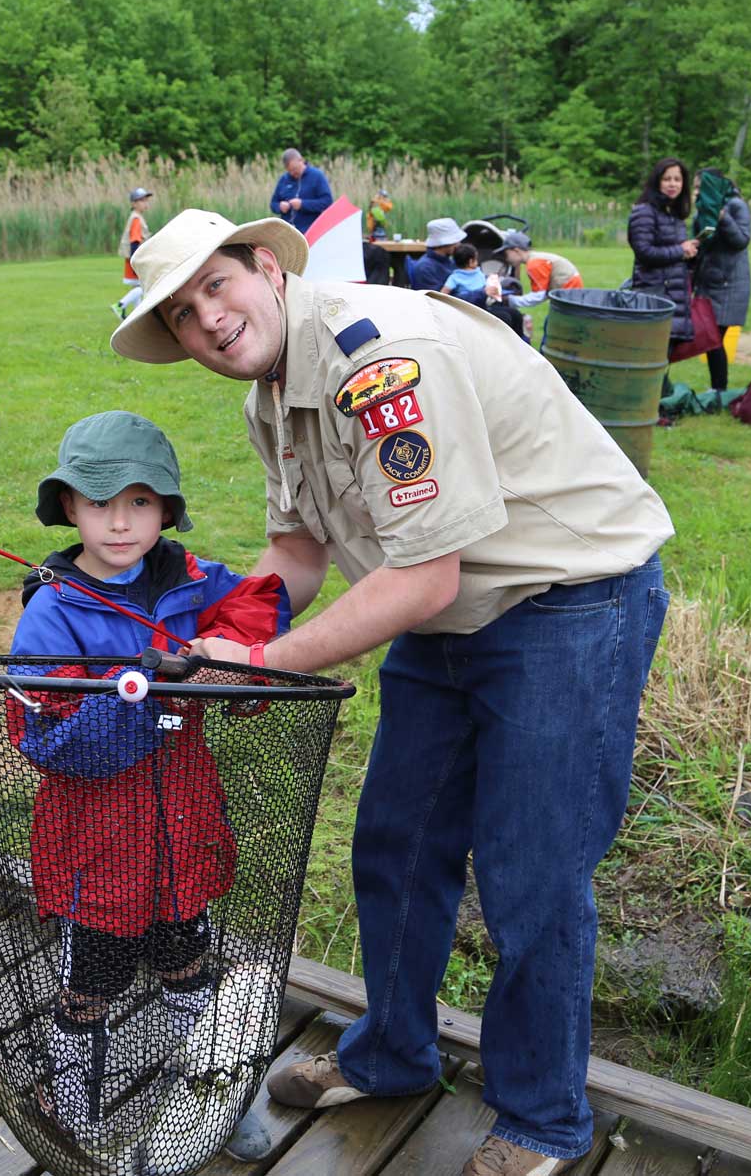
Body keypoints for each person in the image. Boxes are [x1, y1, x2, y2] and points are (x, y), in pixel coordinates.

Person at [110, 208, 673, 1176]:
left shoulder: (382, 357)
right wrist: (223, 638)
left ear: (265, 271)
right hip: (447, 612)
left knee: (529, 869)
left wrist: (268, 665)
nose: (208, 319)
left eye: (217, 285)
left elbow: (422, 577)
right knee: (395, 843)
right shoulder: (270, 396)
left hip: (567, 599)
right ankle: (395, 1052)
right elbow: (297, 552)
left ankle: (541, 1118)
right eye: (182, 315)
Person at [8, 410, 290, 1146]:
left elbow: (260, 600)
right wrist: (141, 683)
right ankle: (68, 1100)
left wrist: (222, 651)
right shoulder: (51, 610)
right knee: (89, 986)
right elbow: (51, 739)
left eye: (139, 501)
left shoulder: (191, 581)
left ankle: (212, 1095)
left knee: (189, 966)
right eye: (99, 502)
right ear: (68, 507)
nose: (120, 521)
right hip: (97, 847)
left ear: (165, 508)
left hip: (181, 826)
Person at [691, 169, 751, 385]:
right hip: (708, 283)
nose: (697, 192)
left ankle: (719, 390)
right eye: (695, 187)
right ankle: (718, 390)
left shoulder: (736, 206)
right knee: (710, 339)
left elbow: (741, 241)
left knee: (714, 339)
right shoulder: (702, 210)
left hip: (730, 285)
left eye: (701, 187)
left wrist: (722, 217)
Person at [628, 158, 698, 345]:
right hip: (654, 294)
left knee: (665, 355)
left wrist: (689, 253)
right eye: (667, 179)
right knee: (651, 354)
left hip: (676, 294)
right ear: (657, 181)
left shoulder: (674, 215)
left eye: (677, 179)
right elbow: (644, 252)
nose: (673, 184)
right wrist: (679, 251)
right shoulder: (644, 211)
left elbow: (674, 252)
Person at [111, 187, 154, 320]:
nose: (145, 203)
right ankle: (120, 305)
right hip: (134, 258)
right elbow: (135, 241)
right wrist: (135, 261)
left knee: (137, 287)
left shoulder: (136, 217)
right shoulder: (136, 219)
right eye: (141, 200)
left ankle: (137, 317)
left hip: (132, 258)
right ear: (134, 204)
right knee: (144, 286)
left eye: (146, 200)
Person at [270, 149, 333, 234]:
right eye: (290, 171)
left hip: (311, 232)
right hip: (287, 233)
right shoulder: (284, 179)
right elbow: (273, 204)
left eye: (295, 169)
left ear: (301, 160)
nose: (293, 173)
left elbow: (327, 202)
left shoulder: (317, 176)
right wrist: (279, 207)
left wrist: (303, 204)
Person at [406, 218, 463, 291]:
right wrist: (479, 294)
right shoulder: (425, 268)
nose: (459, 244)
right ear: (445, 243)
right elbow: (438, 299)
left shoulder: (450, 261)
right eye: (456, 241)